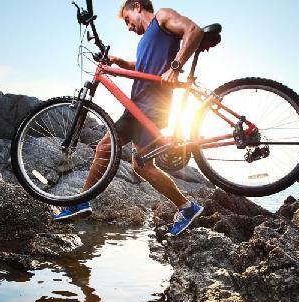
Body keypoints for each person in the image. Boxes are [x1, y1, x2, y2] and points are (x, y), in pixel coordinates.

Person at [54, 0, 205, 236]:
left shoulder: (162, 17)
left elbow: (193, 30)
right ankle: (80, 201)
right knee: (108, 150)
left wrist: (175, 66)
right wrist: (121, 62)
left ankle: (187, 208)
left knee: (141, 164)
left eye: (127, 20)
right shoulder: (145, 41)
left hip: (153, 107)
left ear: (137, 6)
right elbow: (145, 66)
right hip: (135, 107)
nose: (128, 27)